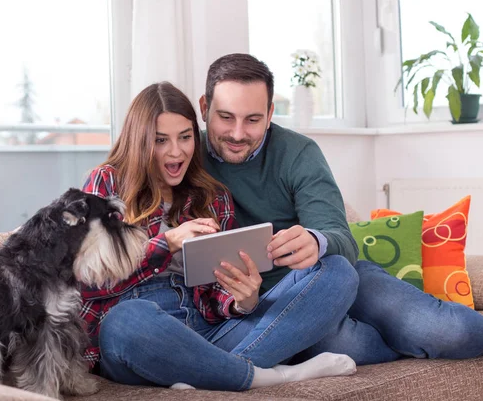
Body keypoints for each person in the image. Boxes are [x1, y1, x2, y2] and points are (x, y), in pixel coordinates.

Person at [198, 53, 483, 365]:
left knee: (444, 330)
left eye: (253, 119)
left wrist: (315, 241)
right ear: (204, 109)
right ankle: (404, 341)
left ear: (270, 114)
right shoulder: (187, 158)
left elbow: (341, 238)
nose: (238, 133)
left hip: (334, 278)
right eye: (226, 117)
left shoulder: (297, 153)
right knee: (344, 344)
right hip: (275, 306)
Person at [80, 81, 358, 391]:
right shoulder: (106, 183)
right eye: (160, 140)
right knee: (125, 321)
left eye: (185, 137)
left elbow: (215, 300)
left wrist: (243, 300)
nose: (176, 151)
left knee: (337, 272)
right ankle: (275, 375)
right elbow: (85, 284)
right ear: (138, 141)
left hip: (210, 335)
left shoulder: (210, 195)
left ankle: (210, 374)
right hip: (141, 337)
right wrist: (168, 243)